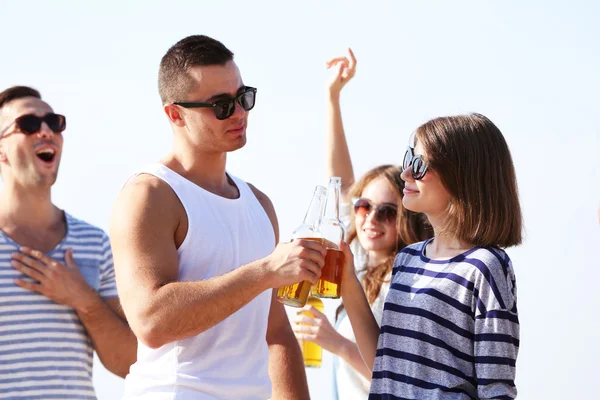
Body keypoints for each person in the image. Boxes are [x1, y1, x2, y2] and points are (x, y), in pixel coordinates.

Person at [110, 35, 325, 400]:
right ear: (175, 113)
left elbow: (275, 332)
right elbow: (150, 321)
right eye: (221, 105)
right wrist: (266, 272)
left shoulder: (259, 202)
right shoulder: (149, 195)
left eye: (243, 97)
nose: (240, 112)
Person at [340, 113, 522, 399]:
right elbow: (385, 366)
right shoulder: (407, 259)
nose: (405, 173)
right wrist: (348, 280)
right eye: (408, 159)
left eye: (419, 164)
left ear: (461, 175)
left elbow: (497, 389)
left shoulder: (485, 267)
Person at [292, 49, 431, 399]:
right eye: (364, 206)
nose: (370, 219)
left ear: (407, 219)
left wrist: (335, 342)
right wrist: (332, 97)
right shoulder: (363, 265)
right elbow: (339, 181)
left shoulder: (405, 280)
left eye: (387, 211)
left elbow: (395, 373)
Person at [0, 86, 137, 399]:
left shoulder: (94, 242)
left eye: (54, 122)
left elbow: (130, 363)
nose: (46, 131)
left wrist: (84, 300)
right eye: (29, 125)